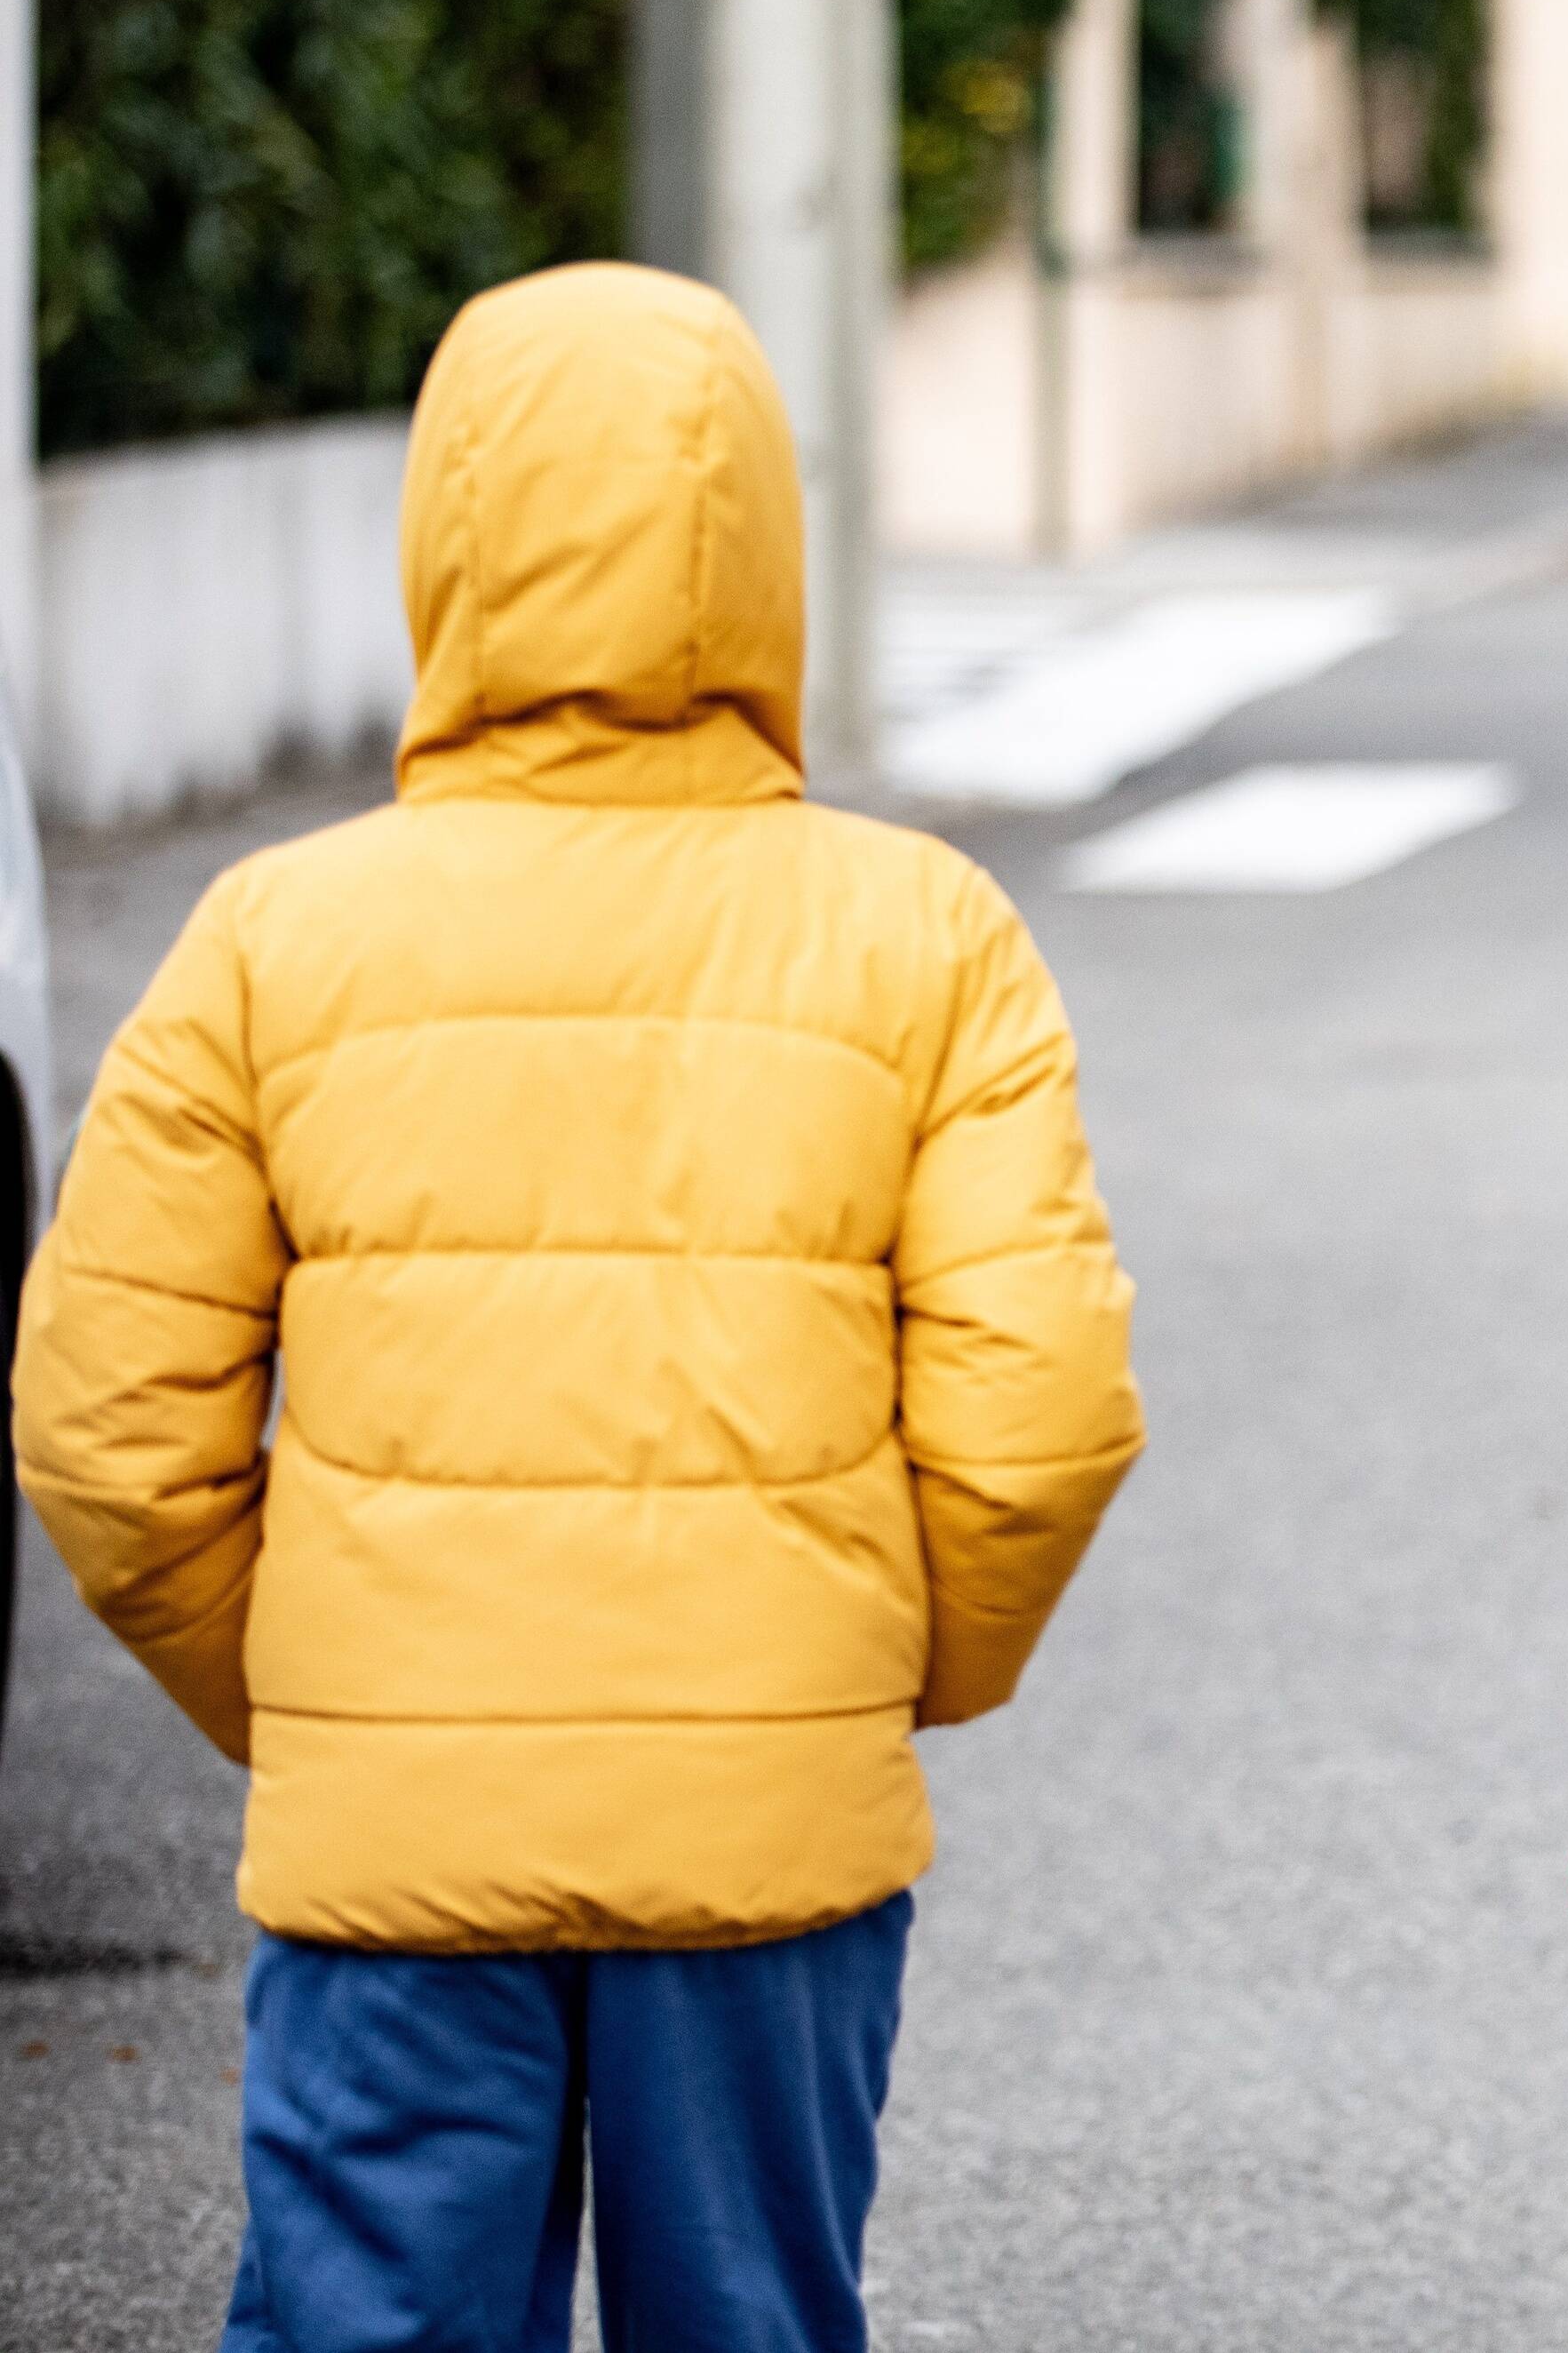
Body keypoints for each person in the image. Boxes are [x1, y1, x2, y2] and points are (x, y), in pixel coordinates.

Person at [11, 265, 1145, 2353]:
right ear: (768, 551)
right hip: (771, 1829)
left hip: (392, 1842)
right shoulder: (925, 933)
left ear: (443, 532)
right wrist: (870, 1672)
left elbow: (107, 1428)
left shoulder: (270, 940)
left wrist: (322, 1704)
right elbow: (1040, 1414)